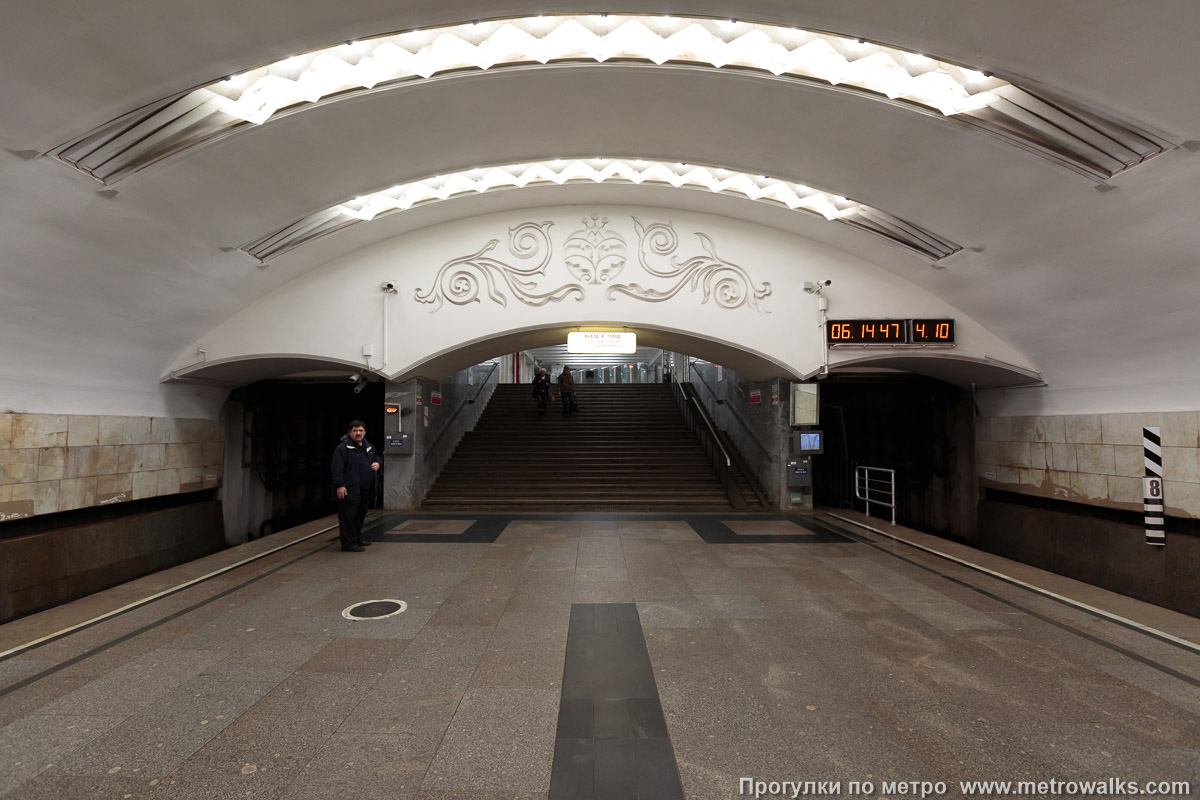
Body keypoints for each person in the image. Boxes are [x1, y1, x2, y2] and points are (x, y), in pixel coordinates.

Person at [330, 419, 381, 552]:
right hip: (349, 489)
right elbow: (337, 469)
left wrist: (377, 463)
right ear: (349, 432)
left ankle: (357, 539)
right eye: (355, 431)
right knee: (348, 518)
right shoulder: (342, 448)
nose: (358, 433)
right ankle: (348, 544)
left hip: (364, 489)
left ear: (365, 432)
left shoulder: (368, 446)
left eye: (361, 430)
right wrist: (340, 485)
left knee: (360, 516)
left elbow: (376, 457)